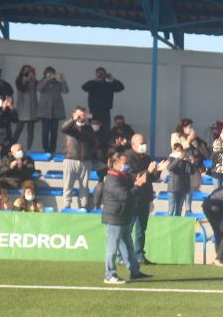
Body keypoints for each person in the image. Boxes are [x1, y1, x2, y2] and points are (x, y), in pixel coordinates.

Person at [99, 150, 150, 284]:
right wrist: (137, 185)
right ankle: (109, 274)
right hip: (115, 217)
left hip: (123, 217)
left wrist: (149, 173)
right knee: (112, 247)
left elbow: (134, 184)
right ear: (116, 164)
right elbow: (125, 196)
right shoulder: (112, 178)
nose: (127, 165)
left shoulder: (123, 176)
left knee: (127, 247)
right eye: (124, 163)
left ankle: (135, 272)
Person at [126, 134, 157, 266]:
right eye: (141, 143)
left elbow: (153, 178)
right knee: (128, 228)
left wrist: (158, 171)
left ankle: (139, 254)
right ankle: (123, 255)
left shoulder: (147, 158)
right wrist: (149, 171)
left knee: (141, 228)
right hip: (133, 197)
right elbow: (134, 177)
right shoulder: (128, 157)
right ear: (133, 144)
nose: (143, 145)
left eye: (144, 143)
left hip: (145, 197)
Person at [59, 108, 97, 209]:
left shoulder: (88, 128)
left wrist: (89, 154)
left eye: (83, 114)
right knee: (68, 185)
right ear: (74, 114)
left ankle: (83, 206)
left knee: (84, 186)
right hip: (70, 158)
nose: (81, 116)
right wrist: (74, 119)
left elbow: (94, 143)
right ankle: (66, 205)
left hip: (85, 161)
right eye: (79, 114)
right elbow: (63, 128)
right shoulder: (70, 126)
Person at [36, 68, 68, 155]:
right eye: (49, 74)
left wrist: (63, 80)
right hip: (45, 111)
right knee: (45, 131)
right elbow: (38, 88)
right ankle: (46, 149)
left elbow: (65, 90)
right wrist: (46, 79)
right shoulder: (42, 81)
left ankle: (52, 149)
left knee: (54, 132)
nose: (51, 75)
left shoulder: (57, 83)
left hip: (56, 111)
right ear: (45, 74)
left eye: (52, 74)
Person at [12, 66, 40, 152]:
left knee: (30, 130)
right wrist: (27, 80)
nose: (28, 72)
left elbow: (38, 88)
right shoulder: (19, 80)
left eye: (30, 70)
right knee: (19, 129)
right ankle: (12, 146)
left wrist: (33, 78)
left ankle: (29, 148)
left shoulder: (33, 80)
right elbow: (23, 89)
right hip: (23, 108)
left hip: (32, 109)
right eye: (26, 70)